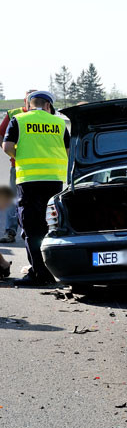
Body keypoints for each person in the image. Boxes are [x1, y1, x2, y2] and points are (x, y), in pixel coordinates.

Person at [2, 91, 69, 285]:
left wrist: (20, 155)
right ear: (48, 105)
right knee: (50, 225)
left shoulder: (19, 120)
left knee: (31, 228)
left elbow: (7, 147)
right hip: (54, 181)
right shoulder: (58, 123)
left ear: (30, 104)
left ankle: (39, 274)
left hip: (29, 180)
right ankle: (52, 269)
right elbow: (66, 150)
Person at [0, 89, 37, 243]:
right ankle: (10, 231)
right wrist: (11, 152)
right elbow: (1, 134)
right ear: (25, 100)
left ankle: (39, 231)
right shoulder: (13, 114)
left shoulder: (45, 115)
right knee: (14, 198)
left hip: (41, 167)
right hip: (19, 165)